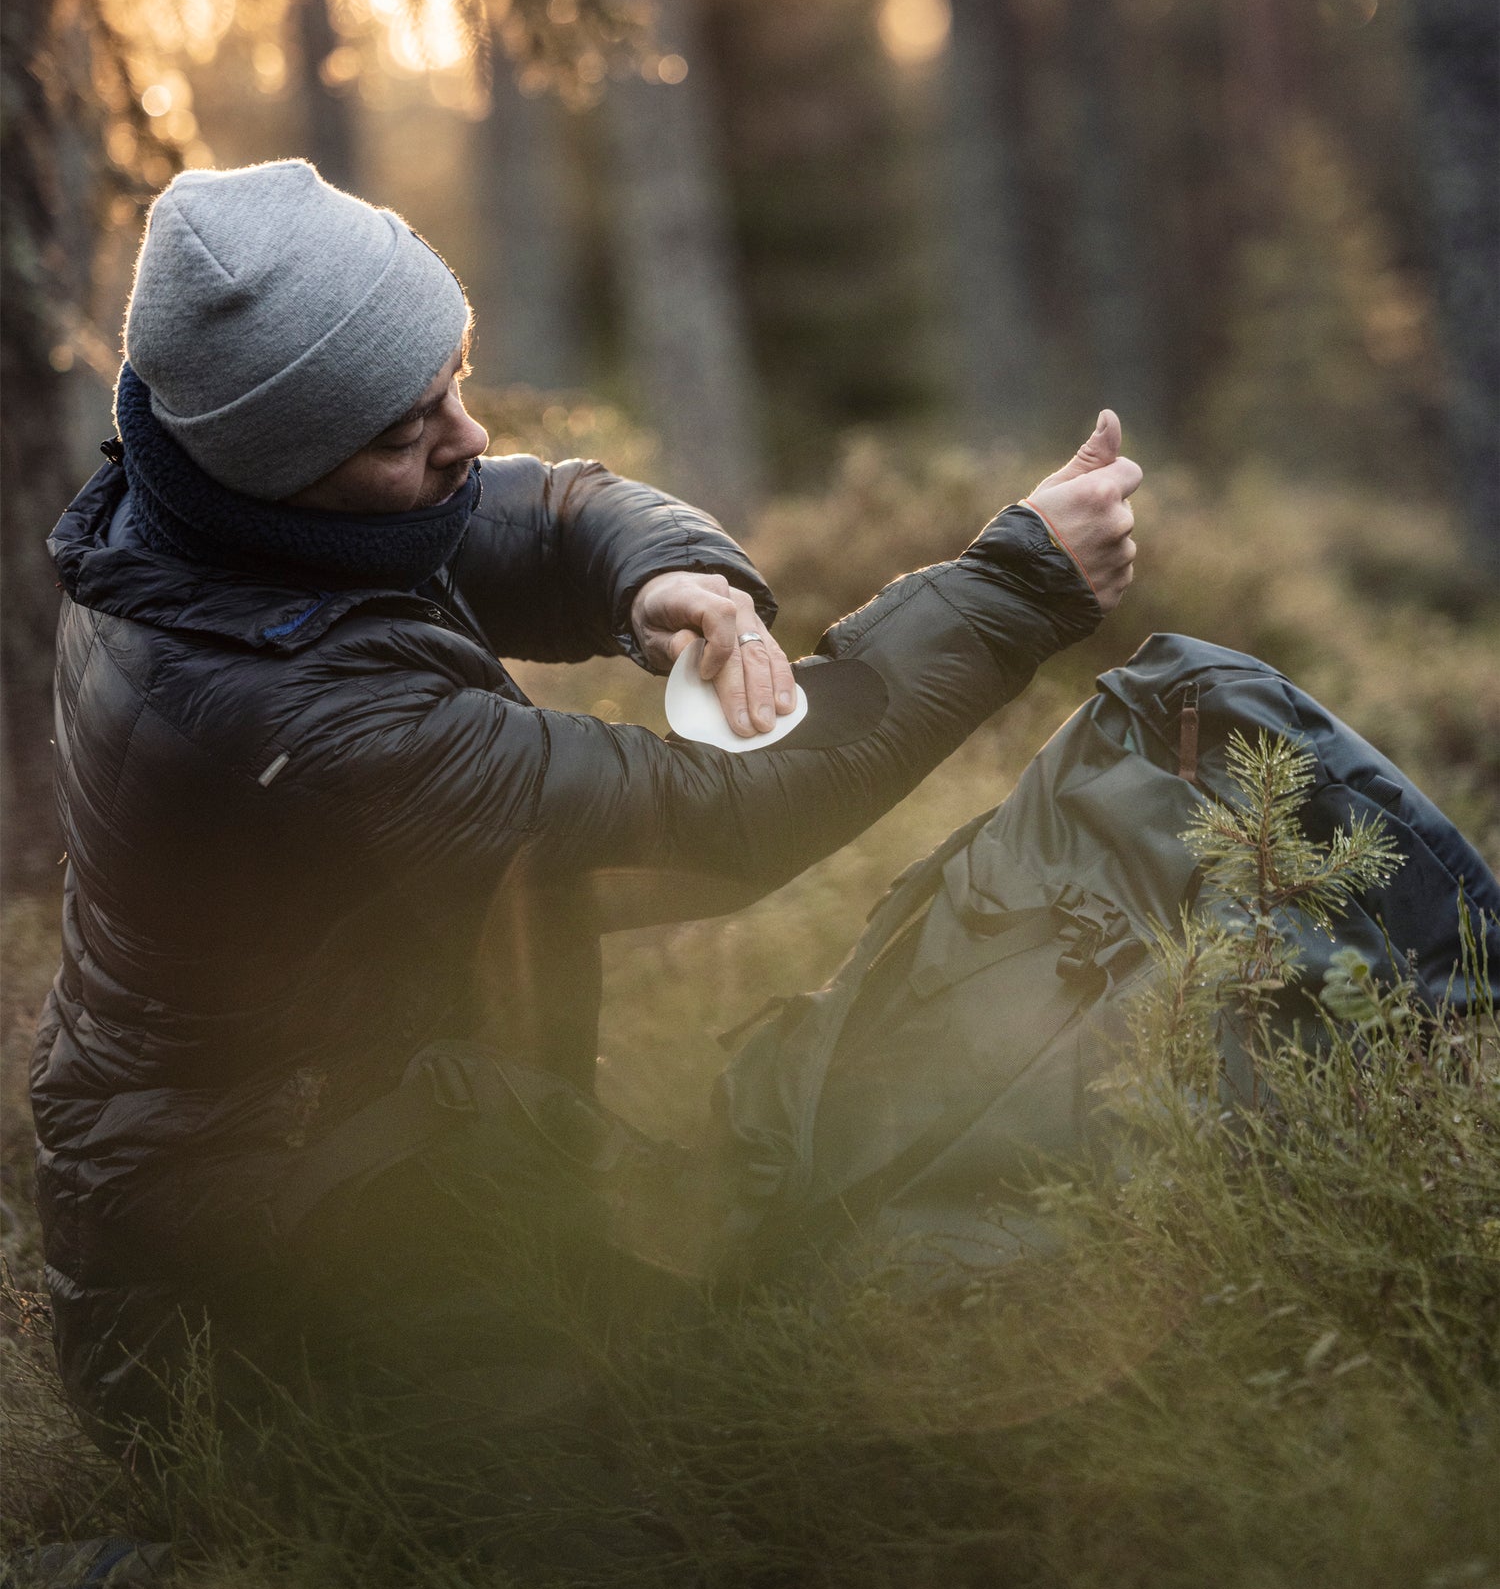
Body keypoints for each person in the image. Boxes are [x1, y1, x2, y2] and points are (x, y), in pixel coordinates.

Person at [32, 159, 1141, 1455]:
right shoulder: (297, 715)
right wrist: (1020, 589)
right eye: (401, 431)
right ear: (279, 466)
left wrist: (661, 577)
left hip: (341, 1149)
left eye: (453, 374)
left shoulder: (208, 519)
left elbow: (545, 509)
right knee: (705, 1520)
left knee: (735, 1393)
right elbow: (730, 814)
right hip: (228, 1310)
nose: (462, 436)